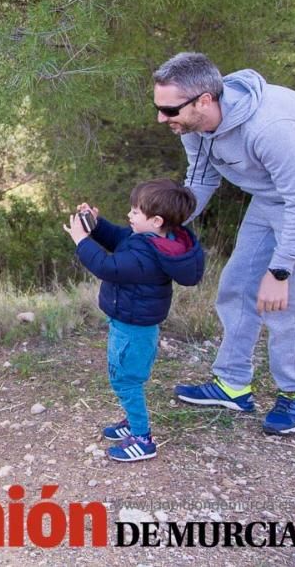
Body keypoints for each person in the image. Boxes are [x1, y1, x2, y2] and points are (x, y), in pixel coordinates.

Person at [153, 52, 295, 435]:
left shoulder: (270, 126)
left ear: (204, 100)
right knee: (237, 287)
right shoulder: (195, 128)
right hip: (268, 199)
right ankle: (233, 384)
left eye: (169, 110)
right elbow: (201, 181)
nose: (161, 118)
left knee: (284, 305)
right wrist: (164, 224)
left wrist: (281, 269)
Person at [65, 179, 204, 461]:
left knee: (125, 381)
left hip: (132, 330)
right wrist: (97, 224)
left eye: (135, 212)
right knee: (128, 378)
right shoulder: (151, 240)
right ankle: (132, 419)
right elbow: (119, 238)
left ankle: (142, 438)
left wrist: (81, 240)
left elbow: (107, 266)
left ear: (155, 221)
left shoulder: (146, 255)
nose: (129, 215)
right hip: (133, 325)